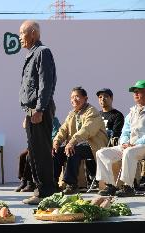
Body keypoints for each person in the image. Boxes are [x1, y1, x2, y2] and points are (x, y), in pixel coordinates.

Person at [18, 20, 57, 205]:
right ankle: (40, 190)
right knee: (33, 152)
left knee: (41, 152)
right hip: (31, 110)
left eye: (21, 33)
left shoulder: (43, 52)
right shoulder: (31, 54)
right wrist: (28, 112)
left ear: (32, 33)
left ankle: (46, 192)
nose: (19, 38)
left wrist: (39, 109)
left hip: (38, 109)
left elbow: (45, 84)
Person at [52, 87, 108, 194]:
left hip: (94, 146)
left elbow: (87, 129)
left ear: (85, 98)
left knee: (74, 151)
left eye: (77, 96)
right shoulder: (72, 113)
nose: (74, 99)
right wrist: (56, 141)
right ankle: (53, 183)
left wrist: (72, 141)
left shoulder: (92, 112)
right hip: (77, 144)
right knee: (57, 151)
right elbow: (63, 129)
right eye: (72, 97)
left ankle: (71, 184)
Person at [96, 80, 145, 197]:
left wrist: (135, 143)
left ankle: (128, 187)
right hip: (131, 147)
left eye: (139, 91)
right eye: (134, 92)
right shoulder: (131, 112)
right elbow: (125, 132)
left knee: (129, 152)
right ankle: (110, 185)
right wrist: (124, 142)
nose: (135, 94)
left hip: (141, 145)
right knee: (102, 153)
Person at [15, 117, 61, 192]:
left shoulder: (53, 119)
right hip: (34, 145)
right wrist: (27, 117)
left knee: (29, 156)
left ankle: (30, 184)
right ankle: (23, 181)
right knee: (22, 156)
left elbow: (56, 132)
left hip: (46, 145)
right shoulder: (33, 118)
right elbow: (25, 126)